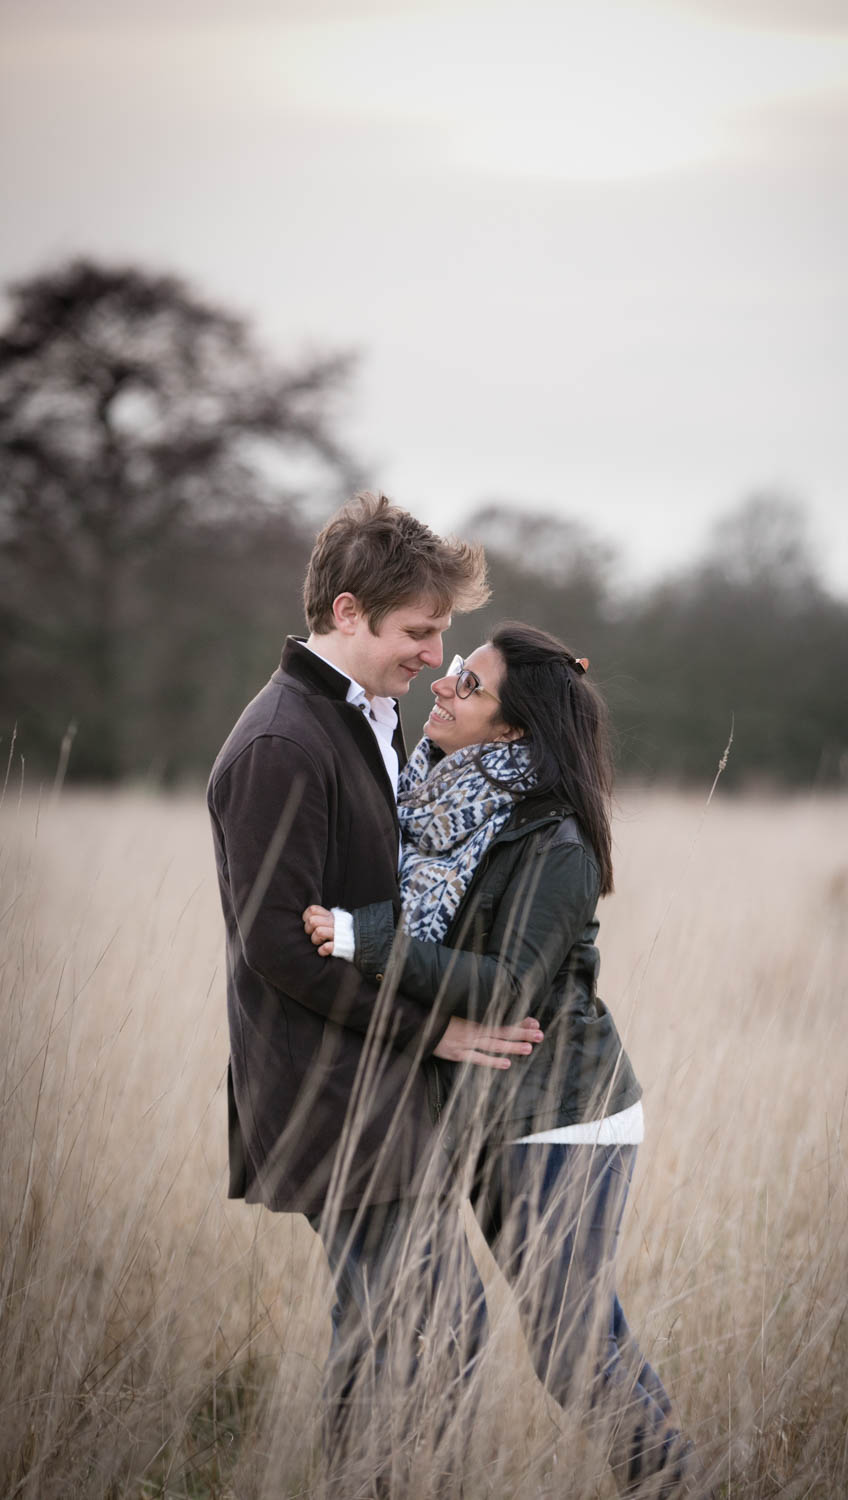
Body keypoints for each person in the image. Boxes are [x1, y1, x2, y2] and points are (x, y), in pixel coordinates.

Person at [303, 622, 692, 1496]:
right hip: (477, 1108)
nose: (442, 687)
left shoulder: (556, 842)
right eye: (448, 671)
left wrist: (365, 940)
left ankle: (675, 1484)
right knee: (563, 1333)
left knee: (571, 1345)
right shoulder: (430, 800)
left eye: (468, 686)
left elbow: (509, 984)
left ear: (513, 730)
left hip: (562, 1115)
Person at [207, 495, 543, 1464]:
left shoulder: (369, 718)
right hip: (328, 1091)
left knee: (388, 1336)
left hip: (377, 1088)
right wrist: (428, 1033)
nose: (435, 656)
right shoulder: (281, 742)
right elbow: (275, 946)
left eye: (444, 634)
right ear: (347, 613)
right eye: (418, 632)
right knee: (436, 1330)